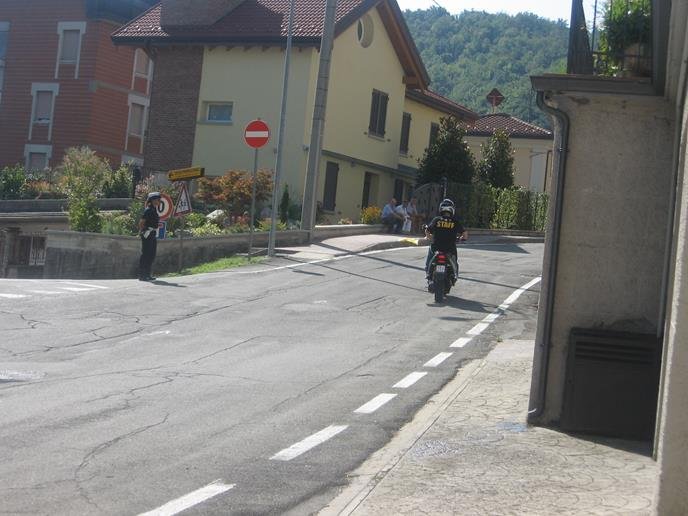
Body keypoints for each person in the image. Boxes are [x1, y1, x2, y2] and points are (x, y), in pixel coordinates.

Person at [424, 198, 468, 288]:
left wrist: (430, 237)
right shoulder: (455, 222)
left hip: (436, 248)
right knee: (454, 262)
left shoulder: (436, 220)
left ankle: (429, 276)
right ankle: (454, 276)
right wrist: (462, 239)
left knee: (429, 259)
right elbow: (465, 234)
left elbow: (427, 230)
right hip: (450, 249)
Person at [138, 191, 161, 281]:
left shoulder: (154, 209)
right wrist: (144, 232)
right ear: (153, 200)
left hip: (153, 233)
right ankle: (142, 275)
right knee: (146, 254)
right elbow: (141, 223)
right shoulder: (148, 210)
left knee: (151, 254)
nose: (159, 201)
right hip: (148, 234)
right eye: (158, 199)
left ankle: (147, 274)